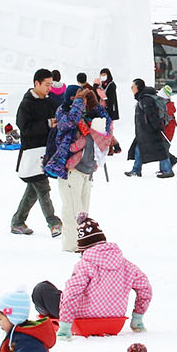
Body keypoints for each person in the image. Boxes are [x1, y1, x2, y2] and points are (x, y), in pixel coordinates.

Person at [54, 213, 154, 338]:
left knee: (43, 290)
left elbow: (72, 293)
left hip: (84, 320)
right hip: (115, 323)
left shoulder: (85, 265)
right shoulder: (126, 265)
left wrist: (65, 327)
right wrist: (137, 317)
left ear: (83, 248)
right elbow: (145, 288)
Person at [48, 85, 112, 253]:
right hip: (71, 170)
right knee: (71, 210)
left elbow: (107, 122)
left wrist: (95, 105)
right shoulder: (63, 113)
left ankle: (83, 243)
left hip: (87, 170)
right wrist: (78, 101)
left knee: (83, 210)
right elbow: (71, 121)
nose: (83, 104)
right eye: (79, 100)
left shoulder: (89, 116)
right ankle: (71, 246)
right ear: (71, 100)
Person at [11, 69, 63, 238]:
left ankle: (17, 221)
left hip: (46, 152)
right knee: (42, 188)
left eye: (51, 84)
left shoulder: (50, 102)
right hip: (31, 153)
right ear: (36, 83)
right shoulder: (26, 103)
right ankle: (54, 222)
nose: (49, 88)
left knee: (33, 190)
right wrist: (47, 124)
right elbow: (25, 128)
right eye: (47, 84)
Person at [127, 78, 173, 178]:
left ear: (138, 87)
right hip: (144, 130)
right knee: (139, 149)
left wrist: (156, 127)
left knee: (160, 149)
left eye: (133, 87)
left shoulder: (146, 99)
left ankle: (168, 170)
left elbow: (152, 114)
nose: (131, 88)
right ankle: (136, 170)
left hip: (150, 130)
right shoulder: (143, 98)